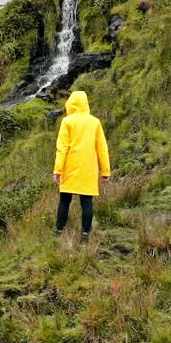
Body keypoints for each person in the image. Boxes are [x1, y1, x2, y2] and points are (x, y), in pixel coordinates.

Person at [52, 90, 110, 240]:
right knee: (87, 201)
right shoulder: (95, 122)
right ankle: (85, 234)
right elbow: (102, 148)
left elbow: (62, 147)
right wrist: (105, 172)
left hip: (69, 167)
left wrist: (57, 170)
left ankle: (58, 231)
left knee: (65, 200)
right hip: (88, 168)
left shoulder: (67, 121)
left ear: (71, 103)